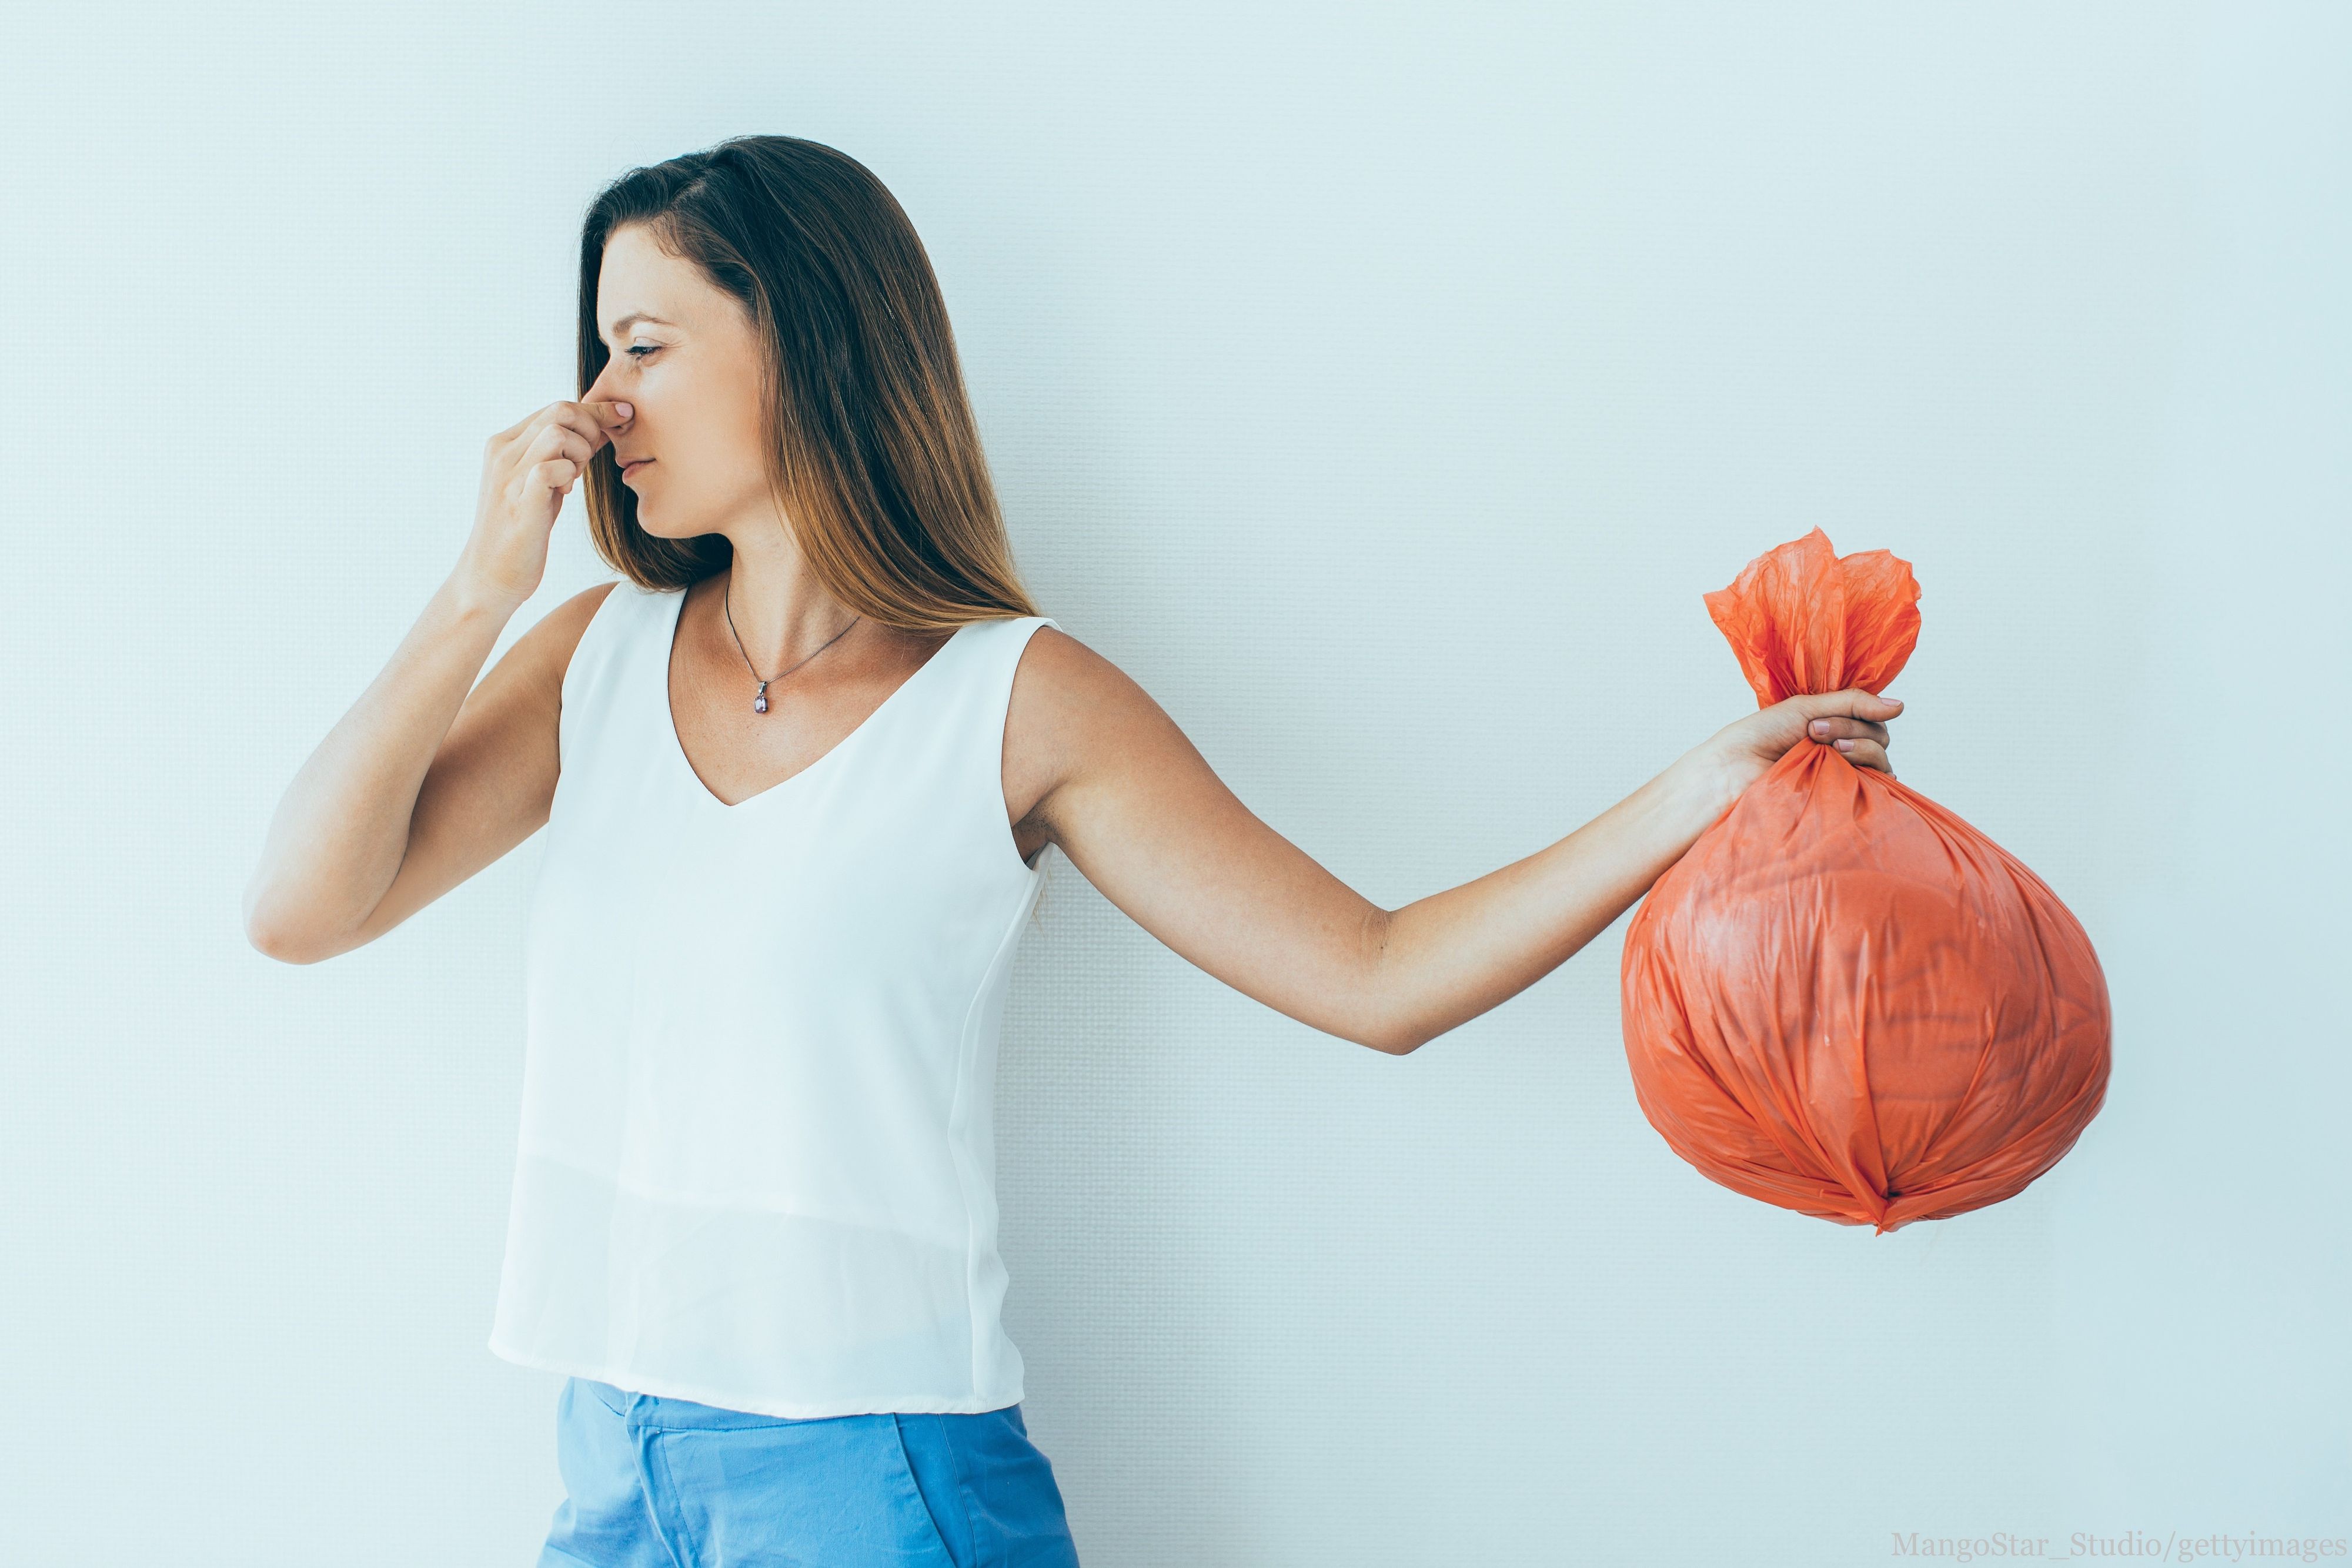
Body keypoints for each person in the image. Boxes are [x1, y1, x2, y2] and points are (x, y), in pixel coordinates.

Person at [241, 135, 1900, 1567]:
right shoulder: (590, 658)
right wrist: (479, 590)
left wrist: (1697, 792)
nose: (597, 403)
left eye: (647, 344)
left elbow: (1378, 974)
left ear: (804, 341)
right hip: (615, 1457)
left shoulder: (1017, 703)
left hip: (878, 1477)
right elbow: (298, 909)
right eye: (599, 350)